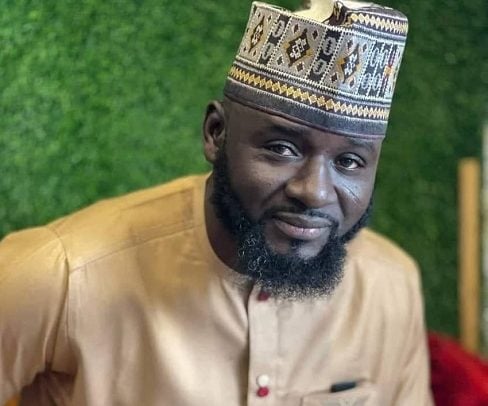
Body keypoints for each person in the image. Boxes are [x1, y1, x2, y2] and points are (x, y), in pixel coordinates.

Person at [0, 0, 433, 404]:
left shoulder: (390, 286)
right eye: (282, 148)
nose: (315, 191)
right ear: (215, 133)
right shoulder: (60, 275)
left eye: (349, 161)